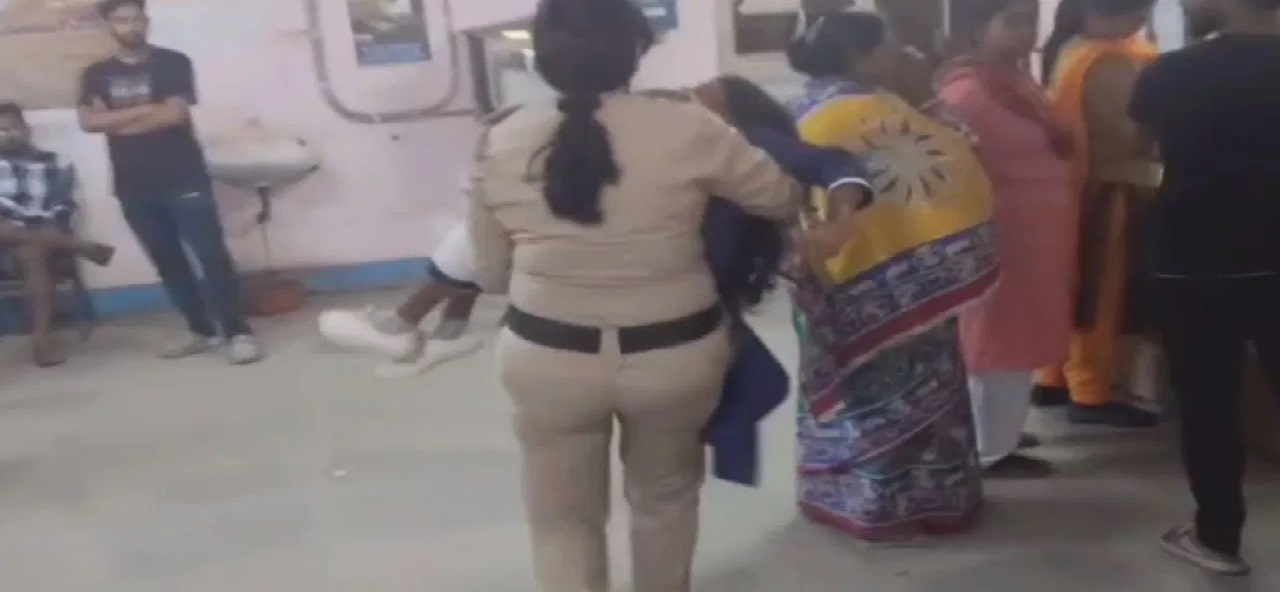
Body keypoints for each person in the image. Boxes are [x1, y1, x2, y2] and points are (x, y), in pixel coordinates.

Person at [464, 0, 828, 587]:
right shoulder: (690, 127)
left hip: (546, 356)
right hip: (675, 354)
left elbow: (490, 274)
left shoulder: (500, 138)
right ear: (634, 51)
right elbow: (780, 198)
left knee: (562, 521)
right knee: (665, 500)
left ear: (542, 57)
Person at [785, 11, 999, 542]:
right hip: (911, 272)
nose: (901, 55)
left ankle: (848, 495)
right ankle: (927, 498)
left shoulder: (803, 108)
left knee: (849, 385)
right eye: (888, 47)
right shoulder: (871, 109)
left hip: (836, 270)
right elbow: (955, 165)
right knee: (922, 387)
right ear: (861, 57)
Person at [1128, 0, 1280, 575]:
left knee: (1208, 402)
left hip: (1193, 255)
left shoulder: (1173, 70)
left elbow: (1144, 147)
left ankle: (1218, 537)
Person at [78, 0, 261, 364]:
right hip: (132, 183)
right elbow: (88, 122)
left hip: (182, 175)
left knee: (211, 256)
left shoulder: (173, 62)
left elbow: (174, 116)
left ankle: (237, 332)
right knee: (168, 261)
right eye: (122, 20)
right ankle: (201, 330)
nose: (132, 26)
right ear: (107, 24)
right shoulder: (95, 73)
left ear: (146, 21)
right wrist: (148, 108)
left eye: (137, 18)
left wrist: (115, 120)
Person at [937, 0, 1076, 478]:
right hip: (1003, 232)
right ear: (979, 27)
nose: (1026, 32)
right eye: (1012, 22)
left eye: (1031, 21)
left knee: (1022, 330)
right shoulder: (967, 92)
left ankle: (1003, 430)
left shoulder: (1015, 82)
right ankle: (989, 448)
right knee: (998, 336)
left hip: (1036, 231)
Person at [1030, 0, 1160, 425]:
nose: (1141, 20)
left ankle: (1054, 377)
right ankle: (1092, 393)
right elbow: (1127, 134)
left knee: (1077, 288)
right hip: (1114, 189)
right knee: (1104, 295)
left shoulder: (1074, 48)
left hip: (1080, 188)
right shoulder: (1112, 61)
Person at [0, 102, 115, 366]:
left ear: (26, 129)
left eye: (12, 128)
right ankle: (80, 246)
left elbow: (67, 203)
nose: (7, 135)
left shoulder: (55, 162)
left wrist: (51, 225)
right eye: (0, 131)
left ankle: (42, 342)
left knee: (32, 252)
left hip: (40, 233)